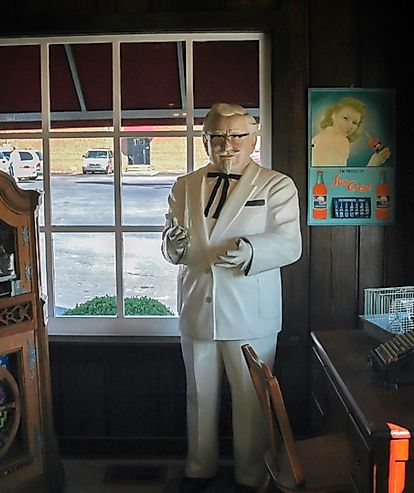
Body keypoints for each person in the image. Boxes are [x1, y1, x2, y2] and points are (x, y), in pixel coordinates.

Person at [161, 103, 302, 493]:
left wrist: (252, 251)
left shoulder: (276, 185)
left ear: (253, 138)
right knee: (199, 395)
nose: (227, 145)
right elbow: (172, 244)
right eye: (217, 136)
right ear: (205, 140)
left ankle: (251, 475)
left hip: (250, 311)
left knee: (251, 399)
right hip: (197, 307)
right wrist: (173, 246)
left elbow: (290, 244)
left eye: (237, 135)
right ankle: (199, 468)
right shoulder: (184, 186)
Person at [310, 96, 391, 167]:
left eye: (355, 123)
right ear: (333, 115)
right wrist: (374, 163)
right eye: (345, 118)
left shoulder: (317, 138)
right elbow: (338, 177)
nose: (350, 125)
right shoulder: (341, 141)